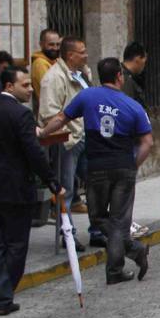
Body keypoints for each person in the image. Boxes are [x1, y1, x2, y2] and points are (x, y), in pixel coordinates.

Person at [42, 57, 154, 284]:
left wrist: (42, 133)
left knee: (100, 218)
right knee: (119, 222)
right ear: (119, 77)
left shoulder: (86, 96)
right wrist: (133, 165)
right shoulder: (133, 106)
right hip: (123, 166)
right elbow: (147, 142)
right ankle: (131, 253)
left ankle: (118, 268)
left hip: (96, 168)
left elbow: (62, 118)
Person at [0, 66, 61, 315]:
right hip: (14, 189)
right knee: (16, 243)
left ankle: (0, 294)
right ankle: (3, 294)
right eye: (25, 85)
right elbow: (34, 152)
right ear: (9, 86)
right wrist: (52, 181)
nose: (31, 90)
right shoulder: (20, 115)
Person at [38, 36, 92, 216]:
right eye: (82, 52)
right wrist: (69, 130)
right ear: (70, 55)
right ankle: (67, 234)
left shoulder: (82, 73)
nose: (86, 55)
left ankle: (98, 230)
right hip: (69, 141)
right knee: (66, 189)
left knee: (94, 183)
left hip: (86, 136)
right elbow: (49, 113)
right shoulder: (53, 77)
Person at [30, 28, 61, 112]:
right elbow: (51, 90)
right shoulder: (40, 63)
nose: (55, 48)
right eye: (51, 44)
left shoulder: (54, 61)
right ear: (41, 44)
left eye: (57, 44)